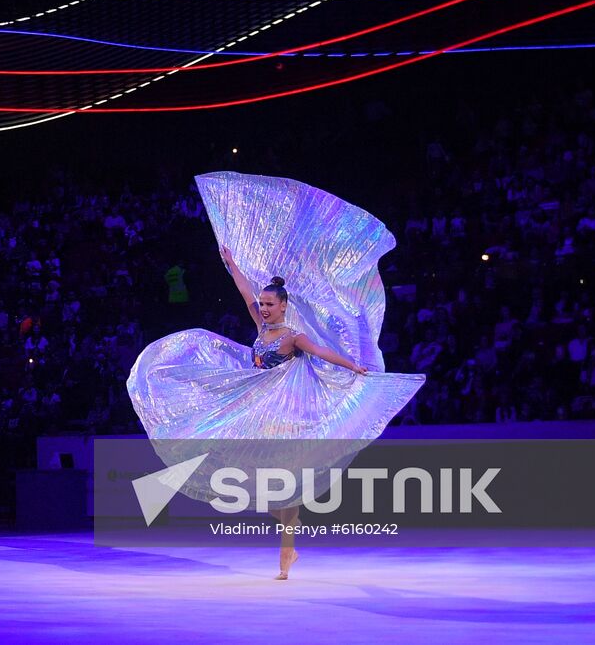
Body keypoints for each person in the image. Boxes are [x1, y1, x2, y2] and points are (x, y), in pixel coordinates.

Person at [127, 172, 425, 580]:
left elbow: (322, 352)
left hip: (283, 416)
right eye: (263, 304)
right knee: (268, 490)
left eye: (270, 304)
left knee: (284, 487)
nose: (263, 308)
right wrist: (232, 264)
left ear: (283, 306)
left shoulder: (291, 337)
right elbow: (245, 292)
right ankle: (288, 544)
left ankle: (287, 552)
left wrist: (355, 366)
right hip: (255, 409)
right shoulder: (260, 327)